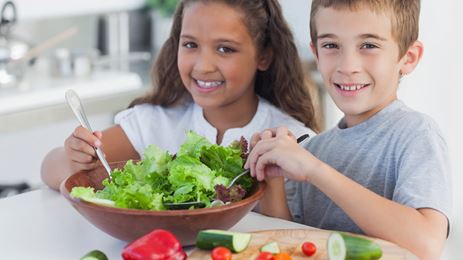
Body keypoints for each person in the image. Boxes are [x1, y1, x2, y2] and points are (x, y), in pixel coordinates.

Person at [245, 0, 452, 259]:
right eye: (331, 46)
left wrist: (314, 170)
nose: (347, 66)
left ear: (408, 58)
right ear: (317, 55)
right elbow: (289, 242)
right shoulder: (314, 149)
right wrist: (272, 180)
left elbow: (427, 243)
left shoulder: (417, 134)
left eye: (369, 45)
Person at [40, 0, 319, 191]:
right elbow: (49, 170)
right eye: (190, 45)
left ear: (264, 56)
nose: (202, 66)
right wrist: (74, 157)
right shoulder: (155, 121)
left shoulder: (293, 140)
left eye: (224, 49)